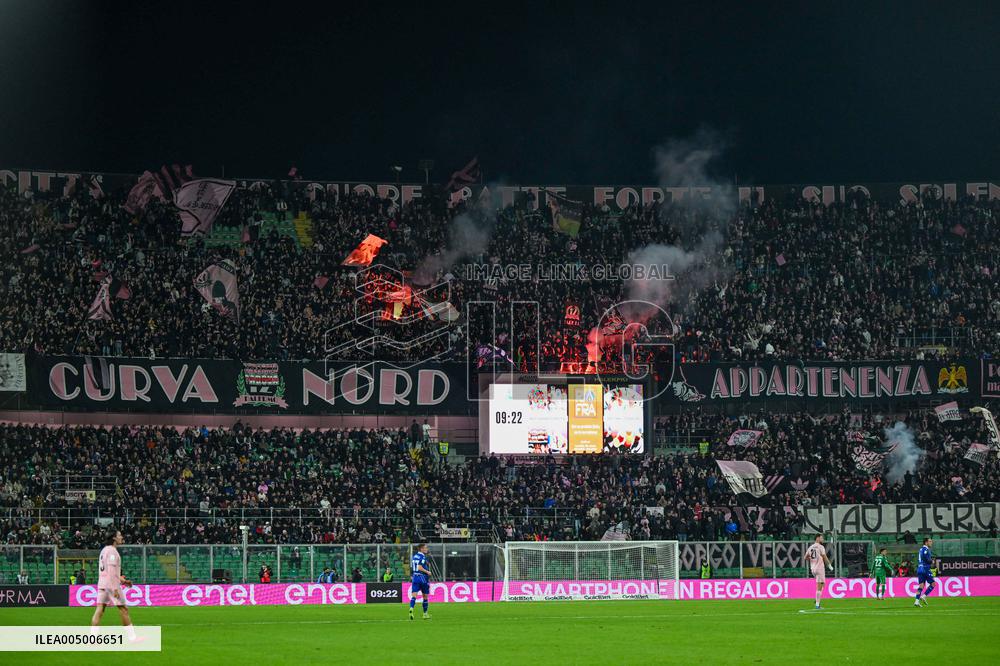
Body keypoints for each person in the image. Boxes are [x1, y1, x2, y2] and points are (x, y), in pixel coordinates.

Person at [91, 528, 136, 641]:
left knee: (99, 610)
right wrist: (115, 588)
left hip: (102, 584)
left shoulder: (104, 551)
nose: (122, 537)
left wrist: (123, 581)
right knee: (123, 609)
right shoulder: (112, 551)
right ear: (114, 538)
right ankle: (132, 638)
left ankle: (93, 638)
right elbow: (111, 571)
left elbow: (108, 571)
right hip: (111, 585)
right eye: (120, 535)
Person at [805, 533, 833, 610]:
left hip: (813, 569)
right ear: (817, 538)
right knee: (819, 587)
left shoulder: (810, 547)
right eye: (821, 538)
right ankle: (817, 605)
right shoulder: (821, 547)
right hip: (819, 568)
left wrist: (812, 559)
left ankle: (817, 598)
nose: (822, 539)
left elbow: (805, 557)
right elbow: (824, 556)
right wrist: (829, 565)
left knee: (823, 583)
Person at [409, 543, 431, 621]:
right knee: (425, 596)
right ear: (421, 549)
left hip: (415, 577)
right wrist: (427, 572)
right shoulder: (422, 557)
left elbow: (413, 567)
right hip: (422, 577)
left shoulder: (414, 556)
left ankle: (411, 608)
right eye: (425, 548)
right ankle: (425, 614)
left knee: (414, 596)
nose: (427, 549)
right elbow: (419, 567)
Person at [915, 537, 935, 607]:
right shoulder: (926, 549)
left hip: (920, 568)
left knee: (921, 586)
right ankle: (924, 596)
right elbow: (927, 559)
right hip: (925, 568)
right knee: (933, 584)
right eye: (930, 541)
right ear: (926, 542)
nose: (931, 543)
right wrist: (931, 561)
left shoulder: (920, 549)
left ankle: (916, 601)